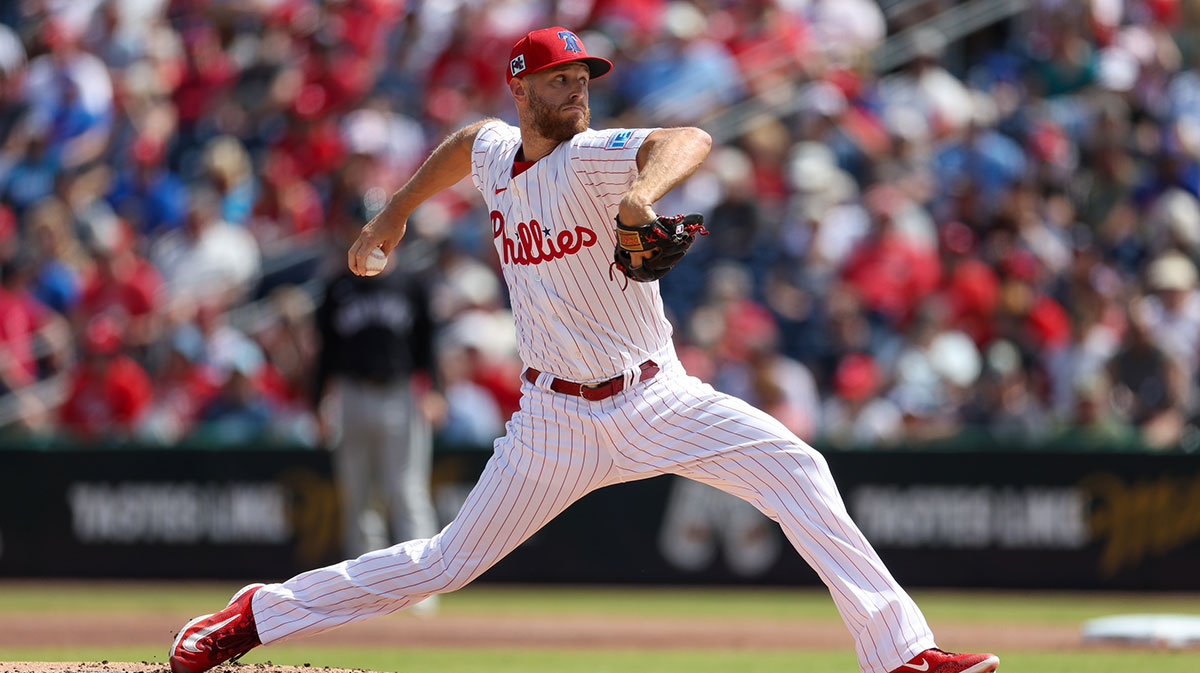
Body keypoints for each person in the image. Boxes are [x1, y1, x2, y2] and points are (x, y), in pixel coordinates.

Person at [169, 27, 1000, 673]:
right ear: (522, 86)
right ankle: (253, 616)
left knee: (798, 468)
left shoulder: (594, 159)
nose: (578, 90)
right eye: (562, 79)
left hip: (655, 397)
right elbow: (466, 142)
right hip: (552, 420)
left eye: (584, 78)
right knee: (445, 562)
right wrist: (393, 213)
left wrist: (641, 192)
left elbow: (689, 138)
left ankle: (900, 653)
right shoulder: (500, 153)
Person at [312, 235, 442, 562]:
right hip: (351, 393)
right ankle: (362, 588)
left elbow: (428, 344)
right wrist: (317, 403)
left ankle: (420, 584)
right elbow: (325, 352)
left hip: (400, 393)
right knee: (358, 496)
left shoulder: (410, 283)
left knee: (407, 491)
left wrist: (436, 391)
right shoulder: (339, 287)